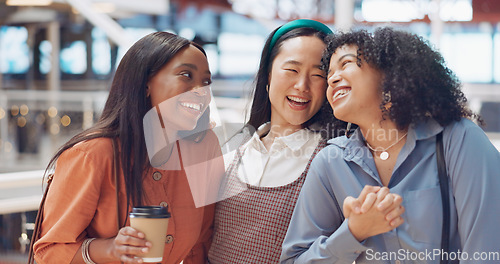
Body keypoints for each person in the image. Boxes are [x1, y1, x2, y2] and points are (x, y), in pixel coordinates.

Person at [281, 27, 500, 263]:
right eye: (330, 72)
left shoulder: (459, 140)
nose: (332, 79)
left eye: (346, 64)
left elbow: (486, 252)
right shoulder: (330, 163)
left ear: (390, 76)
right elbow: (295, 259)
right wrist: (353, 232)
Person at [33, 31, 224, 264]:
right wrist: (110, 250)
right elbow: (49, 251)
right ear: (145, 84)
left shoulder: (204, 148)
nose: (201, 91)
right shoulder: (91, 155)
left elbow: (202, 242)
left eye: (206, 82)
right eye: (186, 75)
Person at [208, 19, 338, 263]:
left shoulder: (331, 161)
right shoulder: (232, 149)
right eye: (292, 70)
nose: (302, 86)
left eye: (318, 74)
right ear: (268, 75)